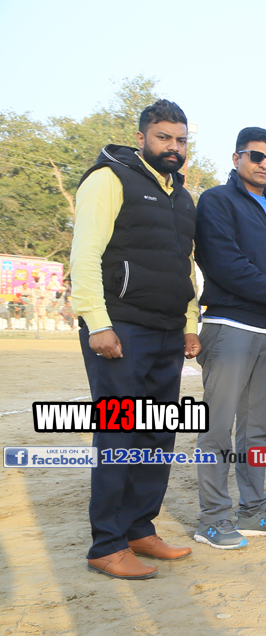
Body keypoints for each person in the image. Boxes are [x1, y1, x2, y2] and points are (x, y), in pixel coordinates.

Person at [69, 99, 201, 578]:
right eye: (164, 137)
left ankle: (139, 529)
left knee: (157, 436)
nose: (173, 147)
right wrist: (97, 323)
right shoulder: (110, 178)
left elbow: (185, 264)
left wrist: (189, 323)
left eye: (180, 140)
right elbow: (85, 253)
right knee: (119, 434)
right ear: (142, 137)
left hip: (167, 332)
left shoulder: (181, 196)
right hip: (122, 329)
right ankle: (106, 544)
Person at [193, 126, 266, 548]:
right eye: (256, 156)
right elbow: (227, 264)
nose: (264, 164)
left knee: (257, 431)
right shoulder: (216, 201)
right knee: (217, 428)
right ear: (236, 158)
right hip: (231, 326)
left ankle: (254, 510)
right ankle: (212, 519)